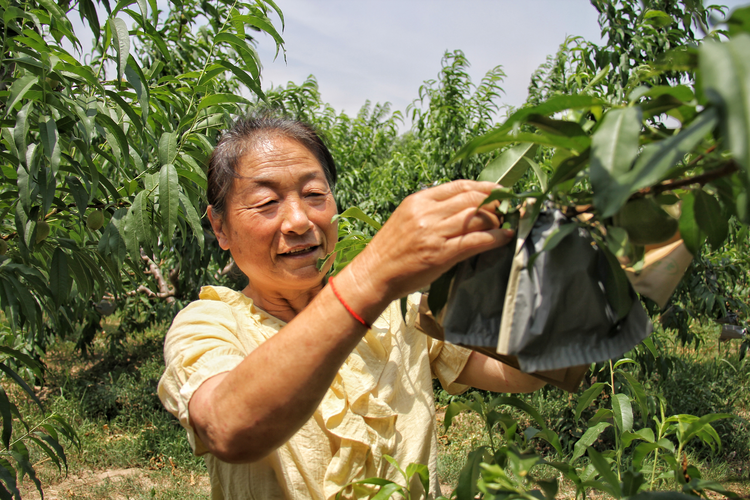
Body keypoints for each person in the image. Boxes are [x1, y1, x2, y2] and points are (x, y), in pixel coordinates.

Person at [158, 111, 545, 500]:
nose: (298, 220)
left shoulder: (400, 309)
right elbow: (227, 428)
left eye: (314, 194)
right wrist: (374, 273)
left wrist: (566, 273)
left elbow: (526, 369)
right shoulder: (209, 322)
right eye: (266, 202)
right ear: (220, 227)